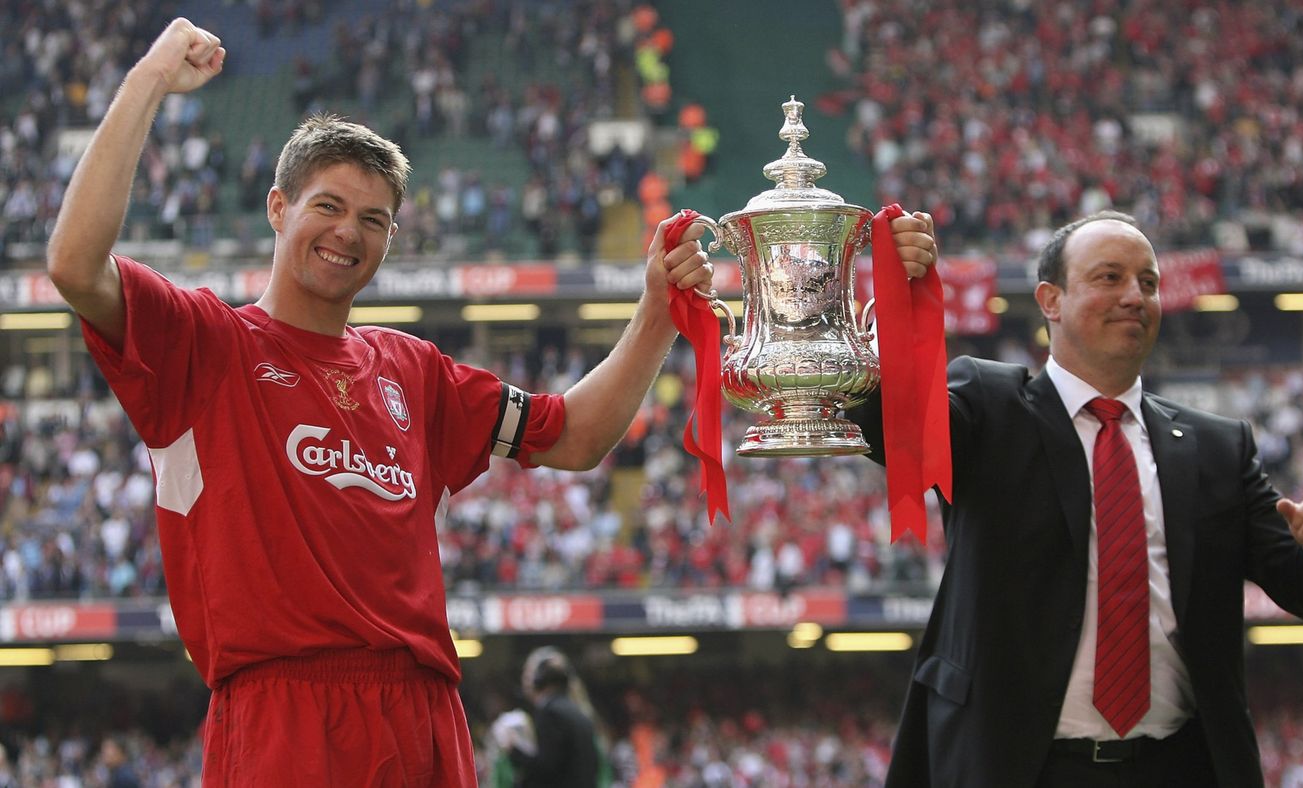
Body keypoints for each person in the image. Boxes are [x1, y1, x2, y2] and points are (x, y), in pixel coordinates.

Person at [44, 17, 940, 786]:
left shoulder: (415, 370)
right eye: (329, 206)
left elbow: (576, 435)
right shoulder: (204, 343)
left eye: (375, 219)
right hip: (282, 715)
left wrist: (658, 315)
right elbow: (76, 264)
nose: (349, 233)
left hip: (426, 713)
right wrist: (152, 77)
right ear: (278, 208)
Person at [847, 210, 1303, 787]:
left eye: (1148, 281)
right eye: (1109, 277)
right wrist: (892, 294)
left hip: (1178, 767)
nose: (1134, 296)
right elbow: (889, 429)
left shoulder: (1219, 447)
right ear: (1051, 299)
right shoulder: (990, 407)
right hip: (1019, 768)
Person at [491, 646, 605, 788]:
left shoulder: (551, 713)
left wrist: (513, 749)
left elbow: (546, 769)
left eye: (529, 674)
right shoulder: (577, 712)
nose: (526, 681)